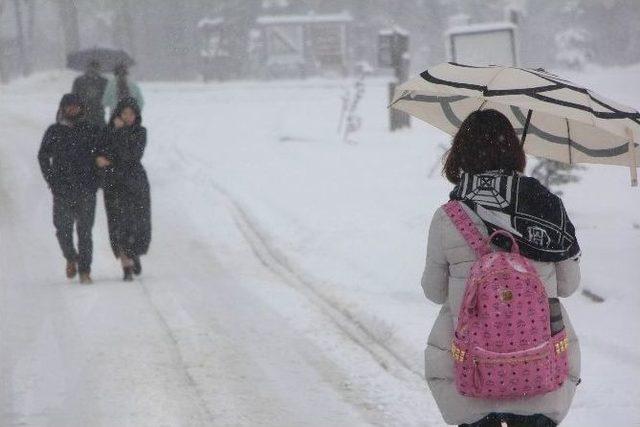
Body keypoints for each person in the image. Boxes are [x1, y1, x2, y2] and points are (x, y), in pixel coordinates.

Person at [421, 110, 582, 427]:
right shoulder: (546, 207)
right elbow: (568, 285)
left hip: (471, 368)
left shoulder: (449, 216)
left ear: (460, 154)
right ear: (514, 150)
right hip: (540, 364)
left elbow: (434, 291)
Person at [38, 93, 99, 284]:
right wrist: (51, 179)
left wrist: (96, 180)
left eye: (76, 106)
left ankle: (85, 270)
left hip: (86, 188)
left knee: (85, 231)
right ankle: (71, 257)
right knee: (62, 229)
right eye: (68, 106)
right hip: (62, 189)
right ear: (62, 109)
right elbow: (42, 156)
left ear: (81, 108)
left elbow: (101, 155)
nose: (72, 109)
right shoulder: (54, 131)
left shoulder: (90, 130)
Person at [95, 97, 151, 281]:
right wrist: (100, 160)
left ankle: (134, 253)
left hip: (135, 182)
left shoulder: (140, 132)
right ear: (118, 114)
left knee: (137, 222)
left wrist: (121, 132)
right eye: (124, 114)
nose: (128, 117)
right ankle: (126, 264)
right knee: (118, 222)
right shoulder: (107, 131)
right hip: (113, 182)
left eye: (131, 114)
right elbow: (101, 153)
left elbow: (132, 154)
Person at [71, 60, 108, 128]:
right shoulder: (104, 81)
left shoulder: (79, 80)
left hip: (83, 112)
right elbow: (106, 98)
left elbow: (73, 96)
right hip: (97, 112)